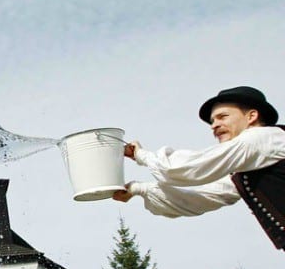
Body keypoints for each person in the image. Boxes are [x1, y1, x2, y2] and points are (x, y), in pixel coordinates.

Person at [113, 86, 285, 251]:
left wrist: (141, 155)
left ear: (251, 116)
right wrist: (139, 189)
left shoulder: (263, 138)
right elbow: (201, 199)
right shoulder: (244, 169)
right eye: (212, 121)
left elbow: (182, 168)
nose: (214, 125)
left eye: (222, 116)